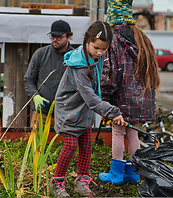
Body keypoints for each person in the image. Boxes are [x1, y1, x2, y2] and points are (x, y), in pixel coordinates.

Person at [50, 21, 124, 197]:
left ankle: (81, 181)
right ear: (87, 41)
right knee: (70, 146)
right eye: (97, 48)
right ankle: (57, 183)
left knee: (86, 146)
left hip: (83, 112)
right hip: (68, 111)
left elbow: (96, 87)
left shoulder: (95, 58)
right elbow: (91, 98)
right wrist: (113, 112)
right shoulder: (79, 65)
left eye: (104, 49)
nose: (100, 53)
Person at [98, 0, 160, 185]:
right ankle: (132, 172)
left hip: (121, 98)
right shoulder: (143, 39)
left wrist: (105, 100)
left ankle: (115, 174)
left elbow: (109, 74)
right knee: (133, 134)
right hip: (141, 99)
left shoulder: (114, 39)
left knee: (117, 133)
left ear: (112, 17)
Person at [24, 19, 74, 126]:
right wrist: (35, 96)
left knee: (61, 143)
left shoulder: (75, 57)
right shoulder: (40, 54)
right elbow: (28, 80)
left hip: (66, 114)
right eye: (52, 36)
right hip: (41, 113)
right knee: (37, 142)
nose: (55, 39)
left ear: (69, 37)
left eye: (59, 37)